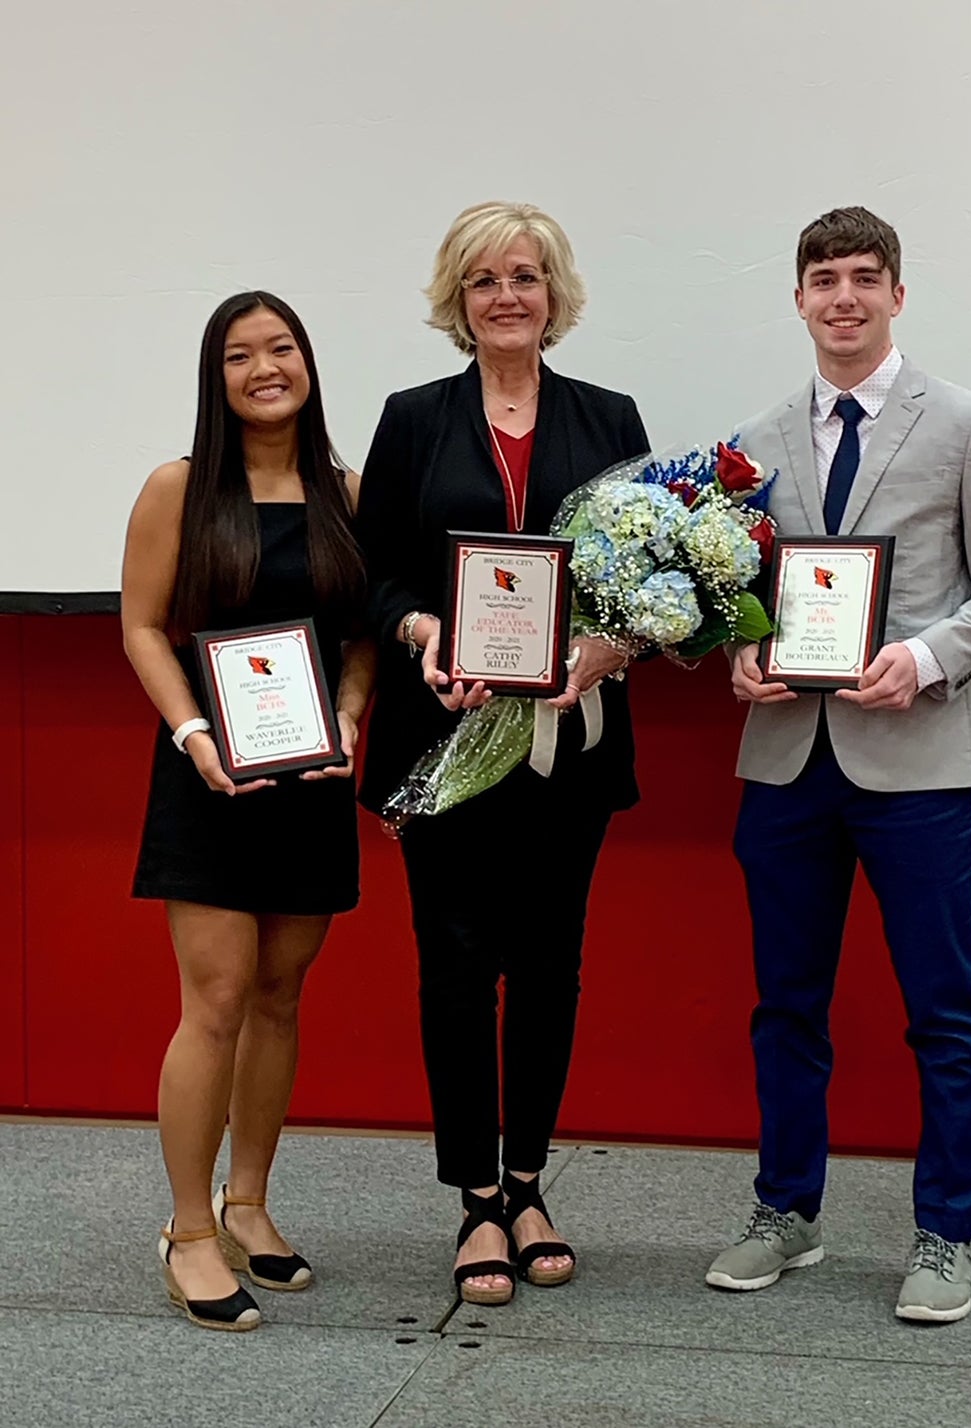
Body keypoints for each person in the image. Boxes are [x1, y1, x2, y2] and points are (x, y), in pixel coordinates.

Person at [706, 207, 971, 1323]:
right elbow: (733, 600)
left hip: (916, 761)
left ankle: (944, 1237)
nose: (841, 297)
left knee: (944, 1012)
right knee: (784, 1006)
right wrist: (742, 651)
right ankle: (784, 1212)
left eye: (863, 278)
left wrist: (925, 655)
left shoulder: (965, 421)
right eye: (822, 279)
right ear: (797, 298)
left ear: (896, 295)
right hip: (786, 762)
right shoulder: (750, 441)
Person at [355, 201, 649, 1306]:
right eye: (482, 280)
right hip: (442, 735)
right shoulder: (412, 419)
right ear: (457, 300)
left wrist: (599, 655)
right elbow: (375, 576)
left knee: (549, 965)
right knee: (453, 965)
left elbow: (640, 587)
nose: (505, 296)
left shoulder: (608, 418)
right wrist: (426, 633)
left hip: (568, 741)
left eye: (523, 276)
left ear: (553, 293)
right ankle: (474, 1197)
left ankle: (529, 1181)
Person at [122, 291, 374, 1331]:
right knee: (215, 999)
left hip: (311, 783)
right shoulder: (177, 488)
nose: (263, 367)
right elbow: (141, 626)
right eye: (238, 355)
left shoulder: (348, 490)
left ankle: (251, 1206)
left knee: (279, 995)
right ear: (214, 377)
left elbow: (360, 634)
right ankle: (187, 1231)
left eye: (280, 348)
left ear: (307, 363)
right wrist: (192, 735)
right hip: (210, 776)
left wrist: (354, 716)